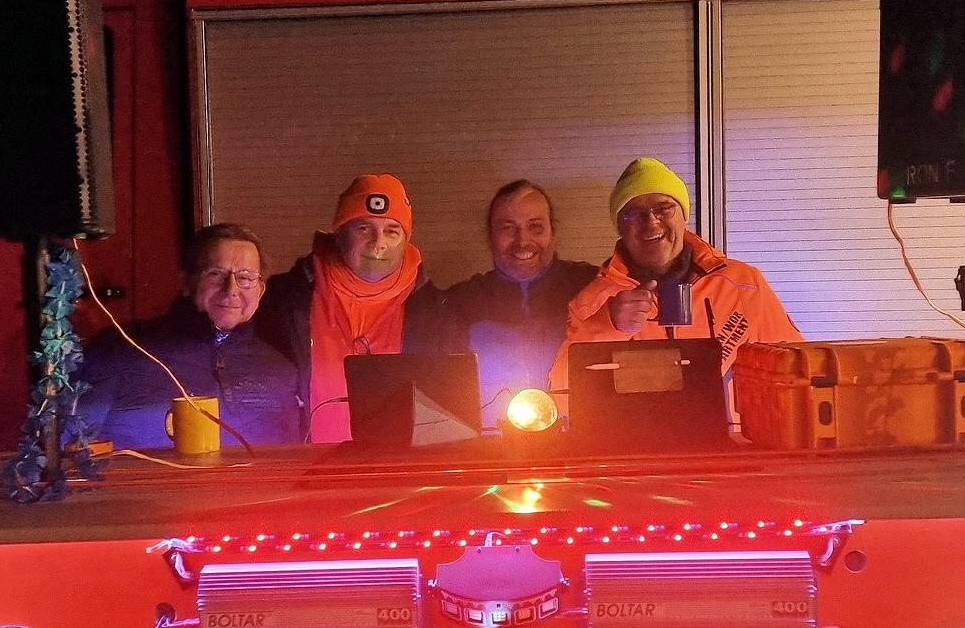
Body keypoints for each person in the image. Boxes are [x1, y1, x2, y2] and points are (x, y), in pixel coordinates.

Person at [562, 156, 801, 371]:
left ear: (684, 216)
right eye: (633, 214)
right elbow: (561, 395)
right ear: (620, 227)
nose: (651, 222)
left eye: (664, 208)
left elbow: (798, 370)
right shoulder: (592, 304)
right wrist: (607, 326)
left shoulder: (744, 284)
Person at [254, 173, 444, 441]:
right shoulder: (282, 300)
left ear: (406, 241)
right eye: (363, 228)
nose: (378, 244)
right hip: (305, 462)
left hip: (397, 464)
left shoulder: (436, 311)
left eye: (392, 230)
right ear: (339, 235)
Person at [82, 222, 301, 449]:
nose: (231, 290)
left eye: (245, 278)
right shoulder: (120, 350)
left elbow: (293, 456)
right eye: (215, 274)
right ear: (187, 283)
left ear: (260, 291)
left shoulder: (281, 372)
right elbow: (70, 448)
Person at [441, 180, 599, 424]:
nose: (522, 241)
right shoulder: (459, 303)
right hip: (491, 444)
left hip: (581, 441)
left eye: (535, 226)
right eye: (508, 228)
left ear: (553, 231)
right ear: (490, 236)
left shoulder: (592, 289)